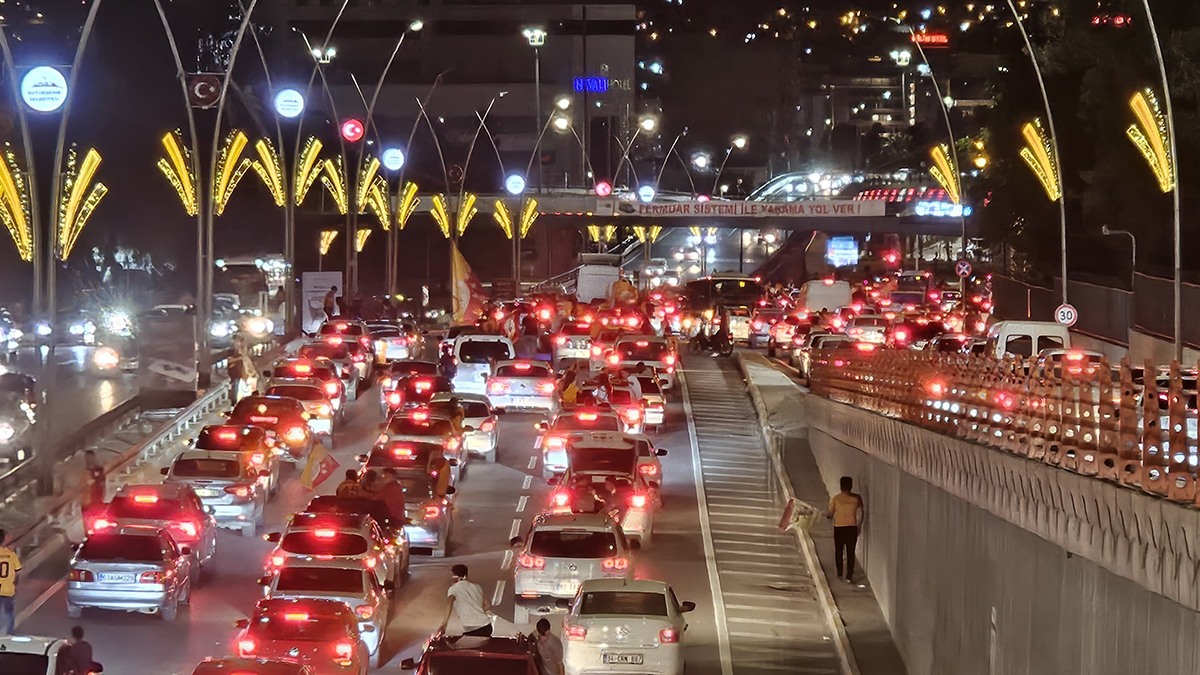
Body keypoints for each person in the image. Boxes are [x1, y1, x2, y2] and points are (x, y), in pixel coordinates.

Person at [826, 476, 864, 582]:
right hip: (852, 528)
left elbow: (830, 514)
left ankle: (839, 573)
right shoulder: (857, 498)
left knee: (839, 550)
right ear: (851, 486)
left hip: (839, 528)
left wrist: (825, 515)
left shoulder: (836, 499)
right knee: (850, 552)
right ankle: (849, 576)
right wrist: (859, 526)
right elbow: (861, 512)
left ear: (841, 486)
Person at [441, 564, 492, 636]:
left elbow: (450, 600)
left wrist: (444, 623)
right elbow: (488, 605)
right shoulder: (476, 587)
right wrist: (476, 612)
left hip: (473, 628)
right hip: (487, 626)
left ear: (455, 576)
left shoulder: (454, 589)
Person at [0, 528, 20, 635]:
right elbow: (18, 572)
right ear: (4, 540)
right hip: (8, 590)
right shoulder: (11, 554)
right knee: (9, 614)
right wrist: (15, 584)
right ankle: (9, 635)